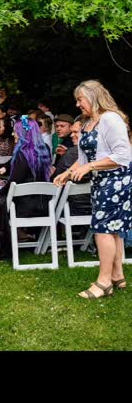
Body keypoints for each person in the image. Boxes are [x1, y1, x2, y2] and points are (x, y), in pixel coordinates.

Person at [55, 80, 132, 299]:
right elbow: (83, 158)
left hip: (117, 179)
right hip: (101, 180)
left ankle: (104, 282)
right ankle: (117, 275)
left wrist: (90, 166)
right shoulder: (89, 122)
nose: (78, 104)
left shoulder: (110, 119)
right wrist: (67, 172)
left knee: (102, 230)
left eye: (80, 99)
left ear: (93, 96)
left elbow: (122, 156)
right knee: (112, 229)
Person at [0, 118, 52, 260]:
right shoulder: (44, 150)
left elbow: (14, 180)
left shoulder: (22, 153)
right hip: (44, 203)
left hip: (24, 206)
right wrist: (4, 168)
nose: (13, 134)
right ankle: (21, 235)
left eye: (16, 131)